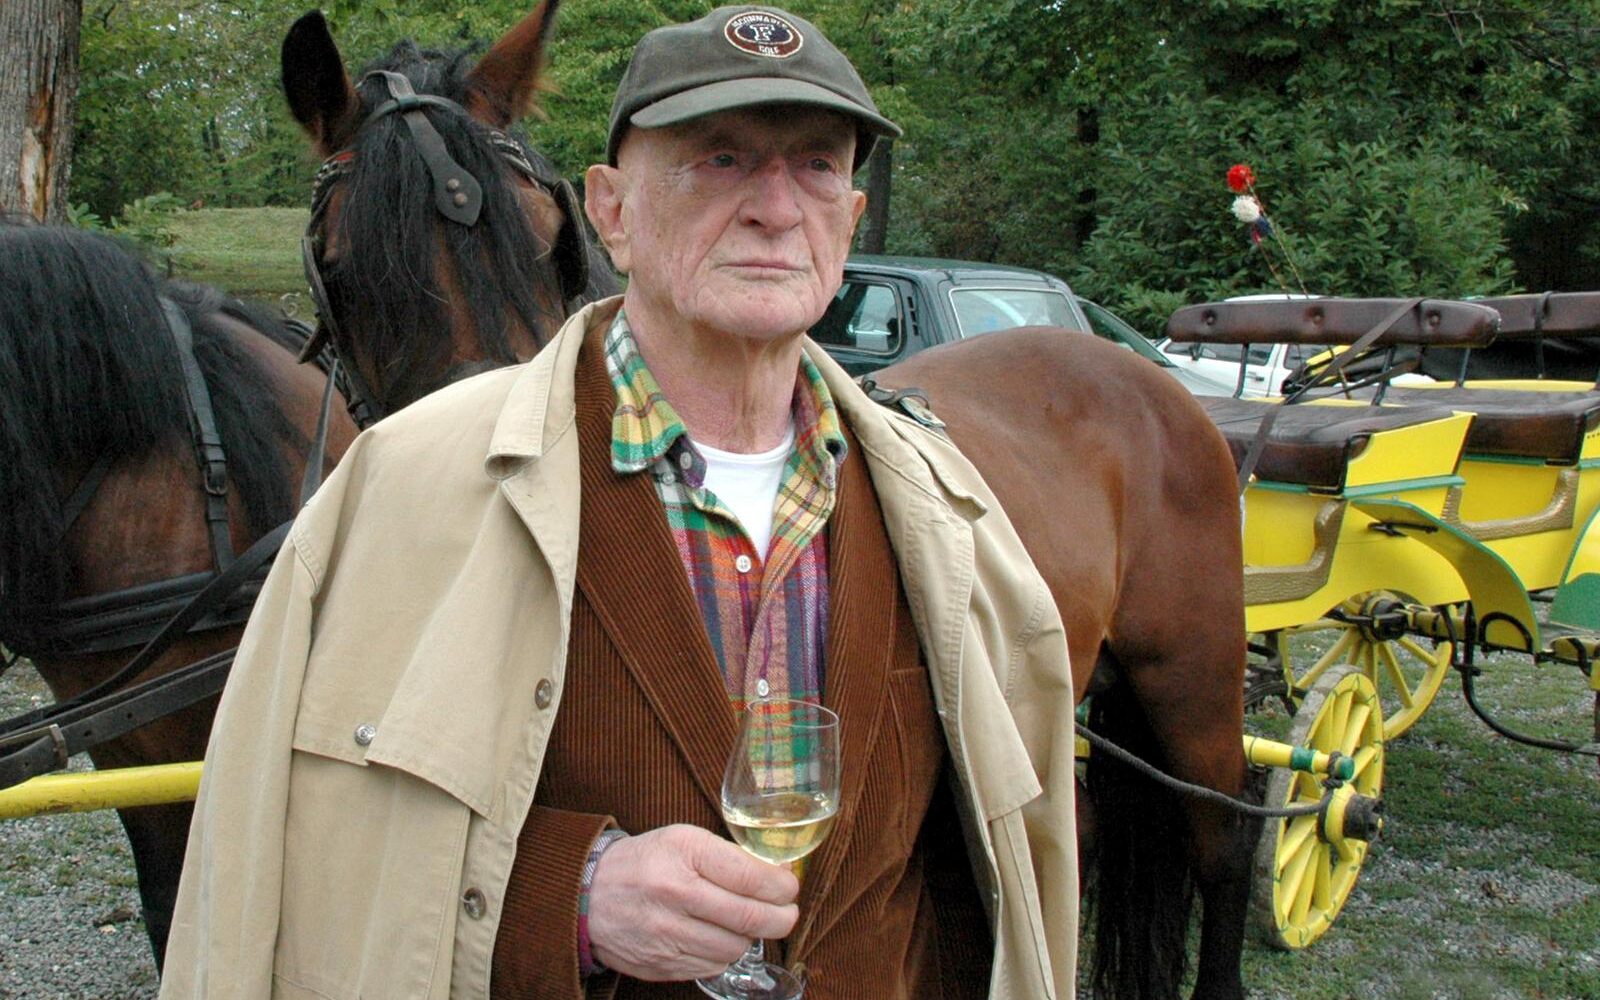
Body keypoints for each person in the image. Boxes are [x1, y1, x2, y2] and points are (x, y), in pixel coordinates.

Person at [159, 6, 1077, 998]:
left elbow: (989, 879)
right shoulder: (400, 486)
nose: (776, 207)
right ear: (610, 212)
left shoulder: (944, 510)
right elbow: (296, 848)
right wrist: (574, 899)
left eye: (816, 165)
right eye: (719, 159)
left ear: (849, 220)